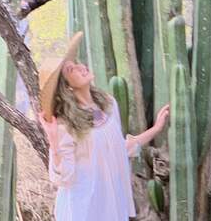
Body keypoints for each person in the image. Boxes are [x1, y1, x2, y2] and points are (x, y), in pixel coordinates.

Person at [38, 32, 170, 221]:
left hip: (109, 205)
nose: (81, 67)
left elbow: (119, 149)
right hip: (82, 209)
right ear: (66, 87)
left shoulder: (108, 104)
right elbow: (65, 177)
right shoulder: (65, 125)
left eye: (77, 63)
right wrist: (53, 141)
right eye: (71, 70)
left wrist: (156, 128)